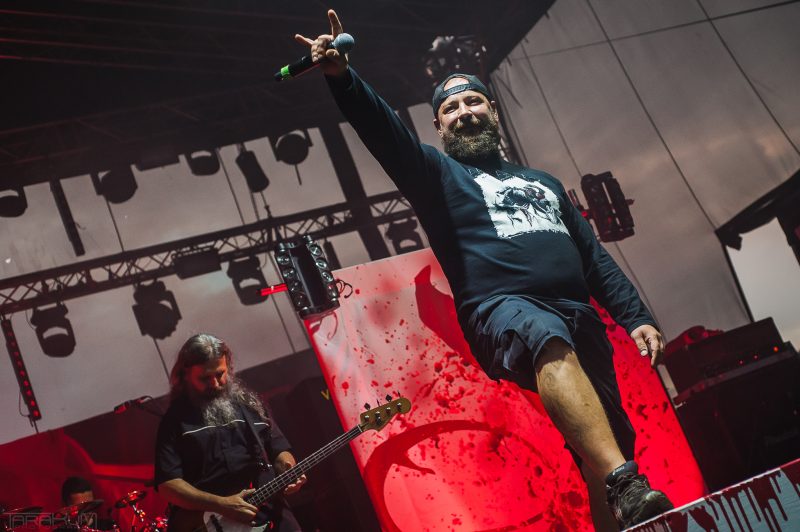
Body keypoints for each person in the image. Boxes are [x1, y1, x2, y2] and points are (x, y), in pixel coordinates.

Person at [294, 10, 674, 531]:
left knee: (604, 445)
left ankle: (621, 501)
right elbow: (385, 134)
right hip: (502, 309)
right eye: (450, 108)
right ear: (439, 126)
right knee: (544, 336)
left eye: (473, 102)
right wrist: (344, 78)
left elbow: (594, 258)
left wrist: (636, 316)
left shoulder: (543, 183)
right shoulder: (438, 175)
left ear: (492, 110)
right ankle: (626, 485)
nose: (464, 112)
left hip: (577, 314)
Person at [154, 334, 305, 532]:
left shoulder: (250, 405)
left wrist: (288, 468)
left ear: (229, 366)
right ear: (186, 375)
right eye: (205, 378)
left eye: (220, 374)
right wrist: (221, 504)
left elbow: (279, 449)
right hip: (217, 524)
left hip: (272, 514)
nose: (215, 383)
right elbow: (168, 485)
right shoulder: (174, 421)